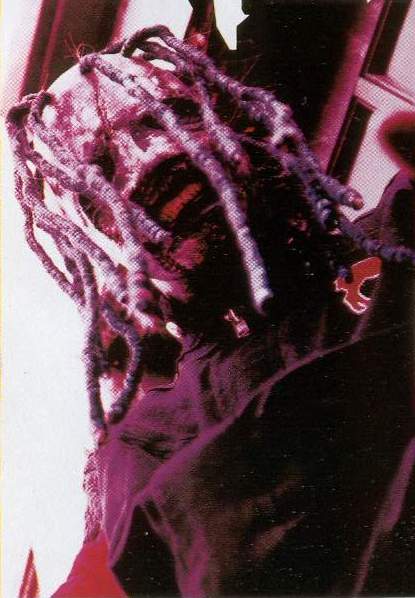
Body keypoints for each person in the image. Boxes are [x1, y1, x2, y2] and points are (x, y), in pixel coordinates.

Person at [7, 26, 415, 597]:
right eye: (101, 175)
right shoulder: (147, 447)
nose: (149, 162)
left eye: (167, 118)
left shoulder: (401, 230)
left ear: (238, 122)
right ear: (99, 251)